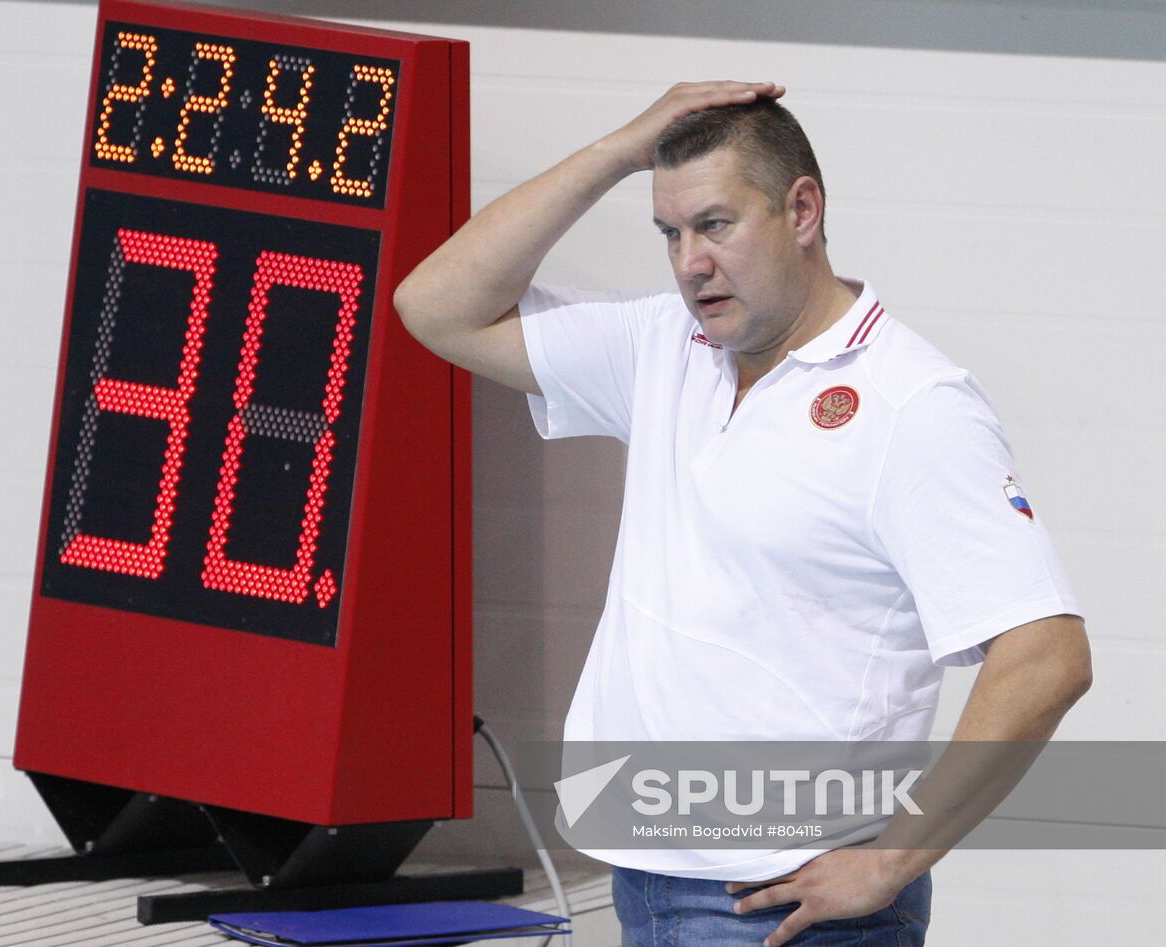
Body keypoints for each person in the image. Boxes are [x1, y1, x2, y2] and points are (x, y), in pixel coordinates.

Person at [394, 82, 1092, 946]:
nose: (689, 261)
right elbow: (435, 307)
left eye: (715, 225)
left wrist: (893, 859)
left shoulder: (912, 406)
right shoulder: (664, 346)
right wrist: (619, 150)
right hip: (646, 875)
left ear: (802, 210)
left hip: (783, 906)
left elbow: (1047, 656)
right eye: (670, 233)